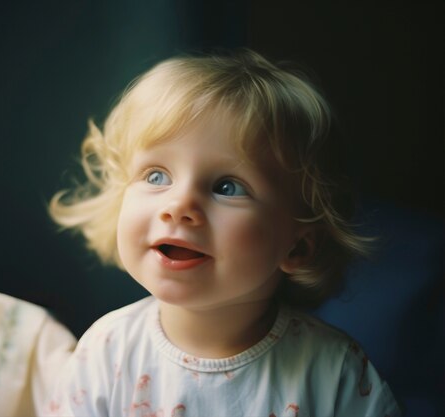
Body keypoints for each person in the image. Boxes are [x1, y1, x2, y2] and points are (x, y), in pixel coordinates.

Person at [44, 49, 402, 417]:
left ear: (297, 246)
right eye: (156, 176)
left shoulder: (333, 373)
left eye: (227, 187)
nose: (179, 205)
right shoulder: (106, 352)